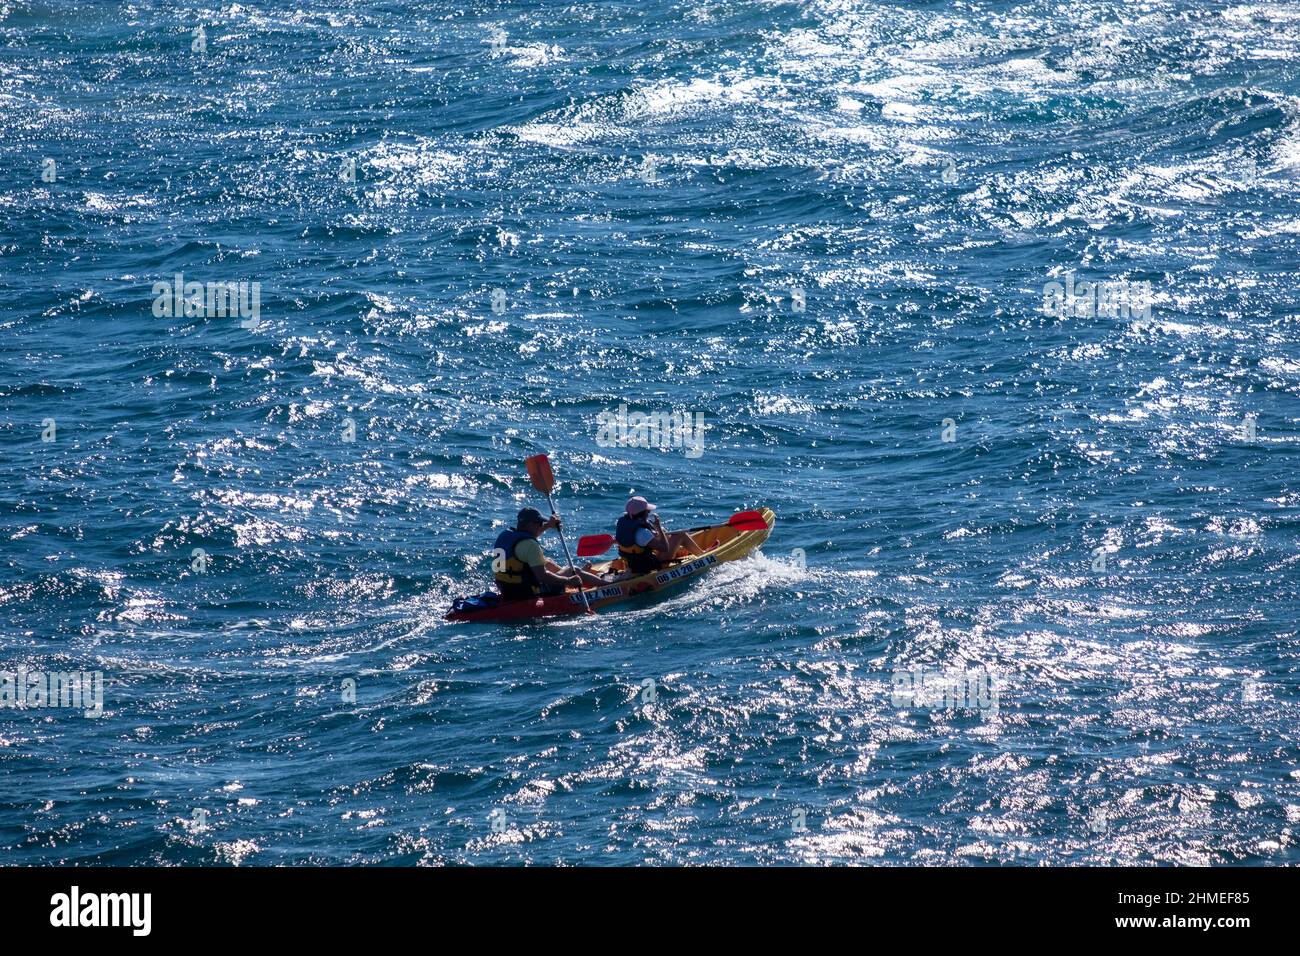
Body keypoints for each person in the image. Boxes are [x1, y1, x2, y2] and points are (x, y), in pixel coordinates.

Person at [493, 508, 606, 600]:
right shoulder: (531, 545)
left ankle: (576, 575)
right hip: (527, 593)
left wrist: (548, 525)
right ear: (531, 524)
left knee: (547, 562)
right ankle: (603, 583)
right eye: (540, 523)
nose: (541, 525)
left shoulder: (505, 535)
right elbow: (542, 577)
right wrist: (568, 581)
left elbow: (529, 538)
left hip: (505, 589)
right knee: (574, 569)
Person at [615, 496, 706, 574]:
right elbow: (664, 548)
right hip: (652, 566)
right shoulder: (643, 533)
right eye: (648, 511)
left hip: (633, 565)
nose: (649, 513)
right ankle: (704, 555)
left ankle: (678, 550)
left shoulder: (623, 525)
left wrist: (659, 531)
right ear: (643, 514)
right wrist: (658, 527)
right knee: (680, 534)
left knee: (662, 531)